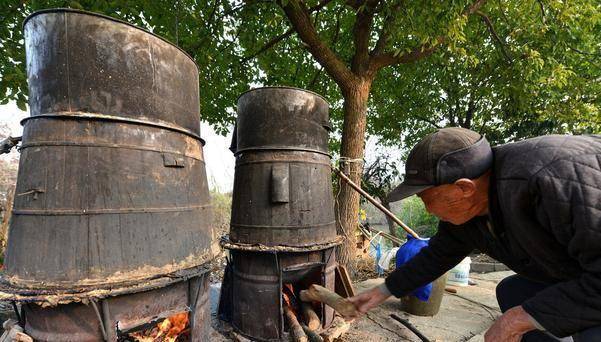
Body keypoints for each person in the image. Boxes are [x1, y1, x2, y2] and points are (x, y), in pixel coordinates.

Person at [348, 127, 601, 342]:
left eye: (427, 199)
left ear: (463, 188)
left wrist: (519, 319)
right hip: (582, 270)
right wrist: (382, 291)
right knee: (513, 292)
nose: (428, 209)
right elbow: (438, 255)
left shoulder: (552, 181)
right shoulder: (472, 205)